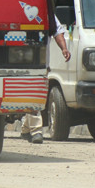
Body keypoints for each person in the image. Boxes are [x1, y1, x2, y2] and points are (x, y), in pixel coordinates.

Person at [21, 14, 71, 143]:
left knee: (34, 96)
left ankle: (28, 129)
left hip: (41, 64)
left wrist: (64, 48)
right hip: (21, 62)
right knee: (32, 95)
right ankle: (35, 130)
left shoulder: (47, 14)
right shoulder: (18, 8)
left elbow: (57, 31)